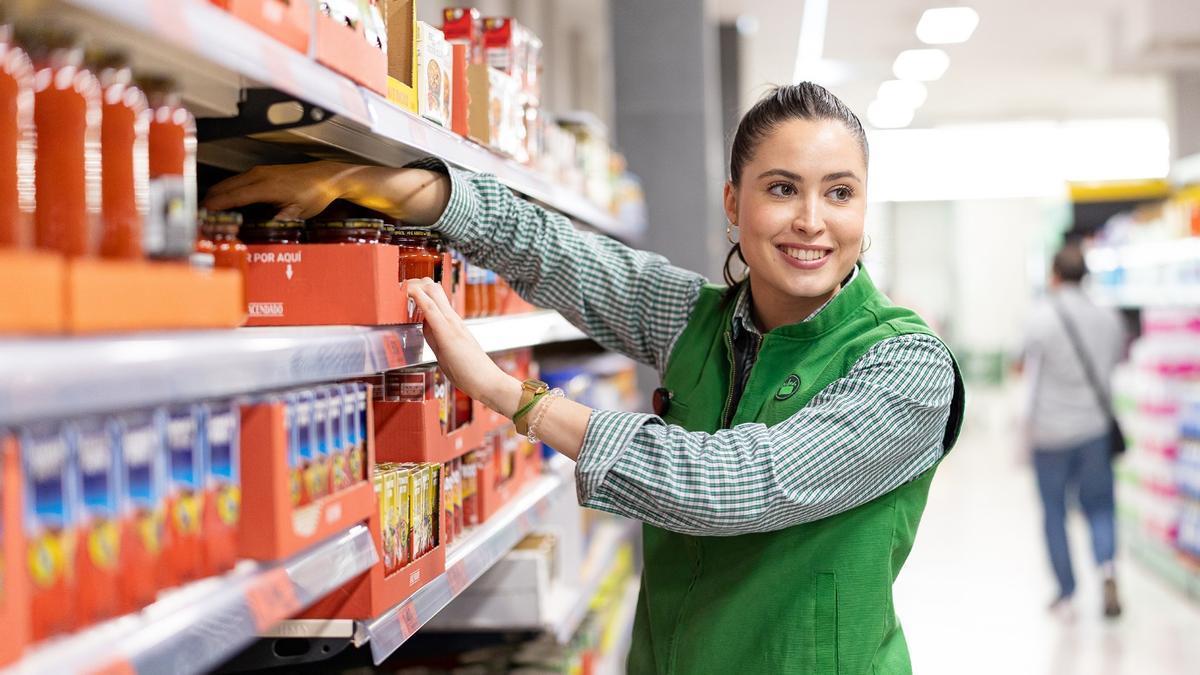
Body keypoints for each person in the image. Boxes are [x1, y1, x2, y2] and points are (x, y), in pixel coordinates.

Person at [206, 83, 965, 674]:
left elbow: (731, 484)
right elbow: (555, 253)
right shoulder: (700, 321)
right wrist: (366, 178)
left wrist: (516, 396)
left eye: (839, 192)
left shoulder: (904, 368)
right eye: (780, 188)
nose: (811, 220)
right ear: (734, 204)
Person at [1022, 240, 1127, 619]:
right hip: (1094, 429)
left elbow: (1025, 367)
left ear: (1054, 275)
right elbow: (1114, 361)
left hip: (1050, 434)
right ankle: (1108, 569)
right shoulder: (1108, 317)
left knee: (1055, 512)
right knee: (1100, 506)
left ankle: (1066, 594)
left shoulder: (1041, 317)